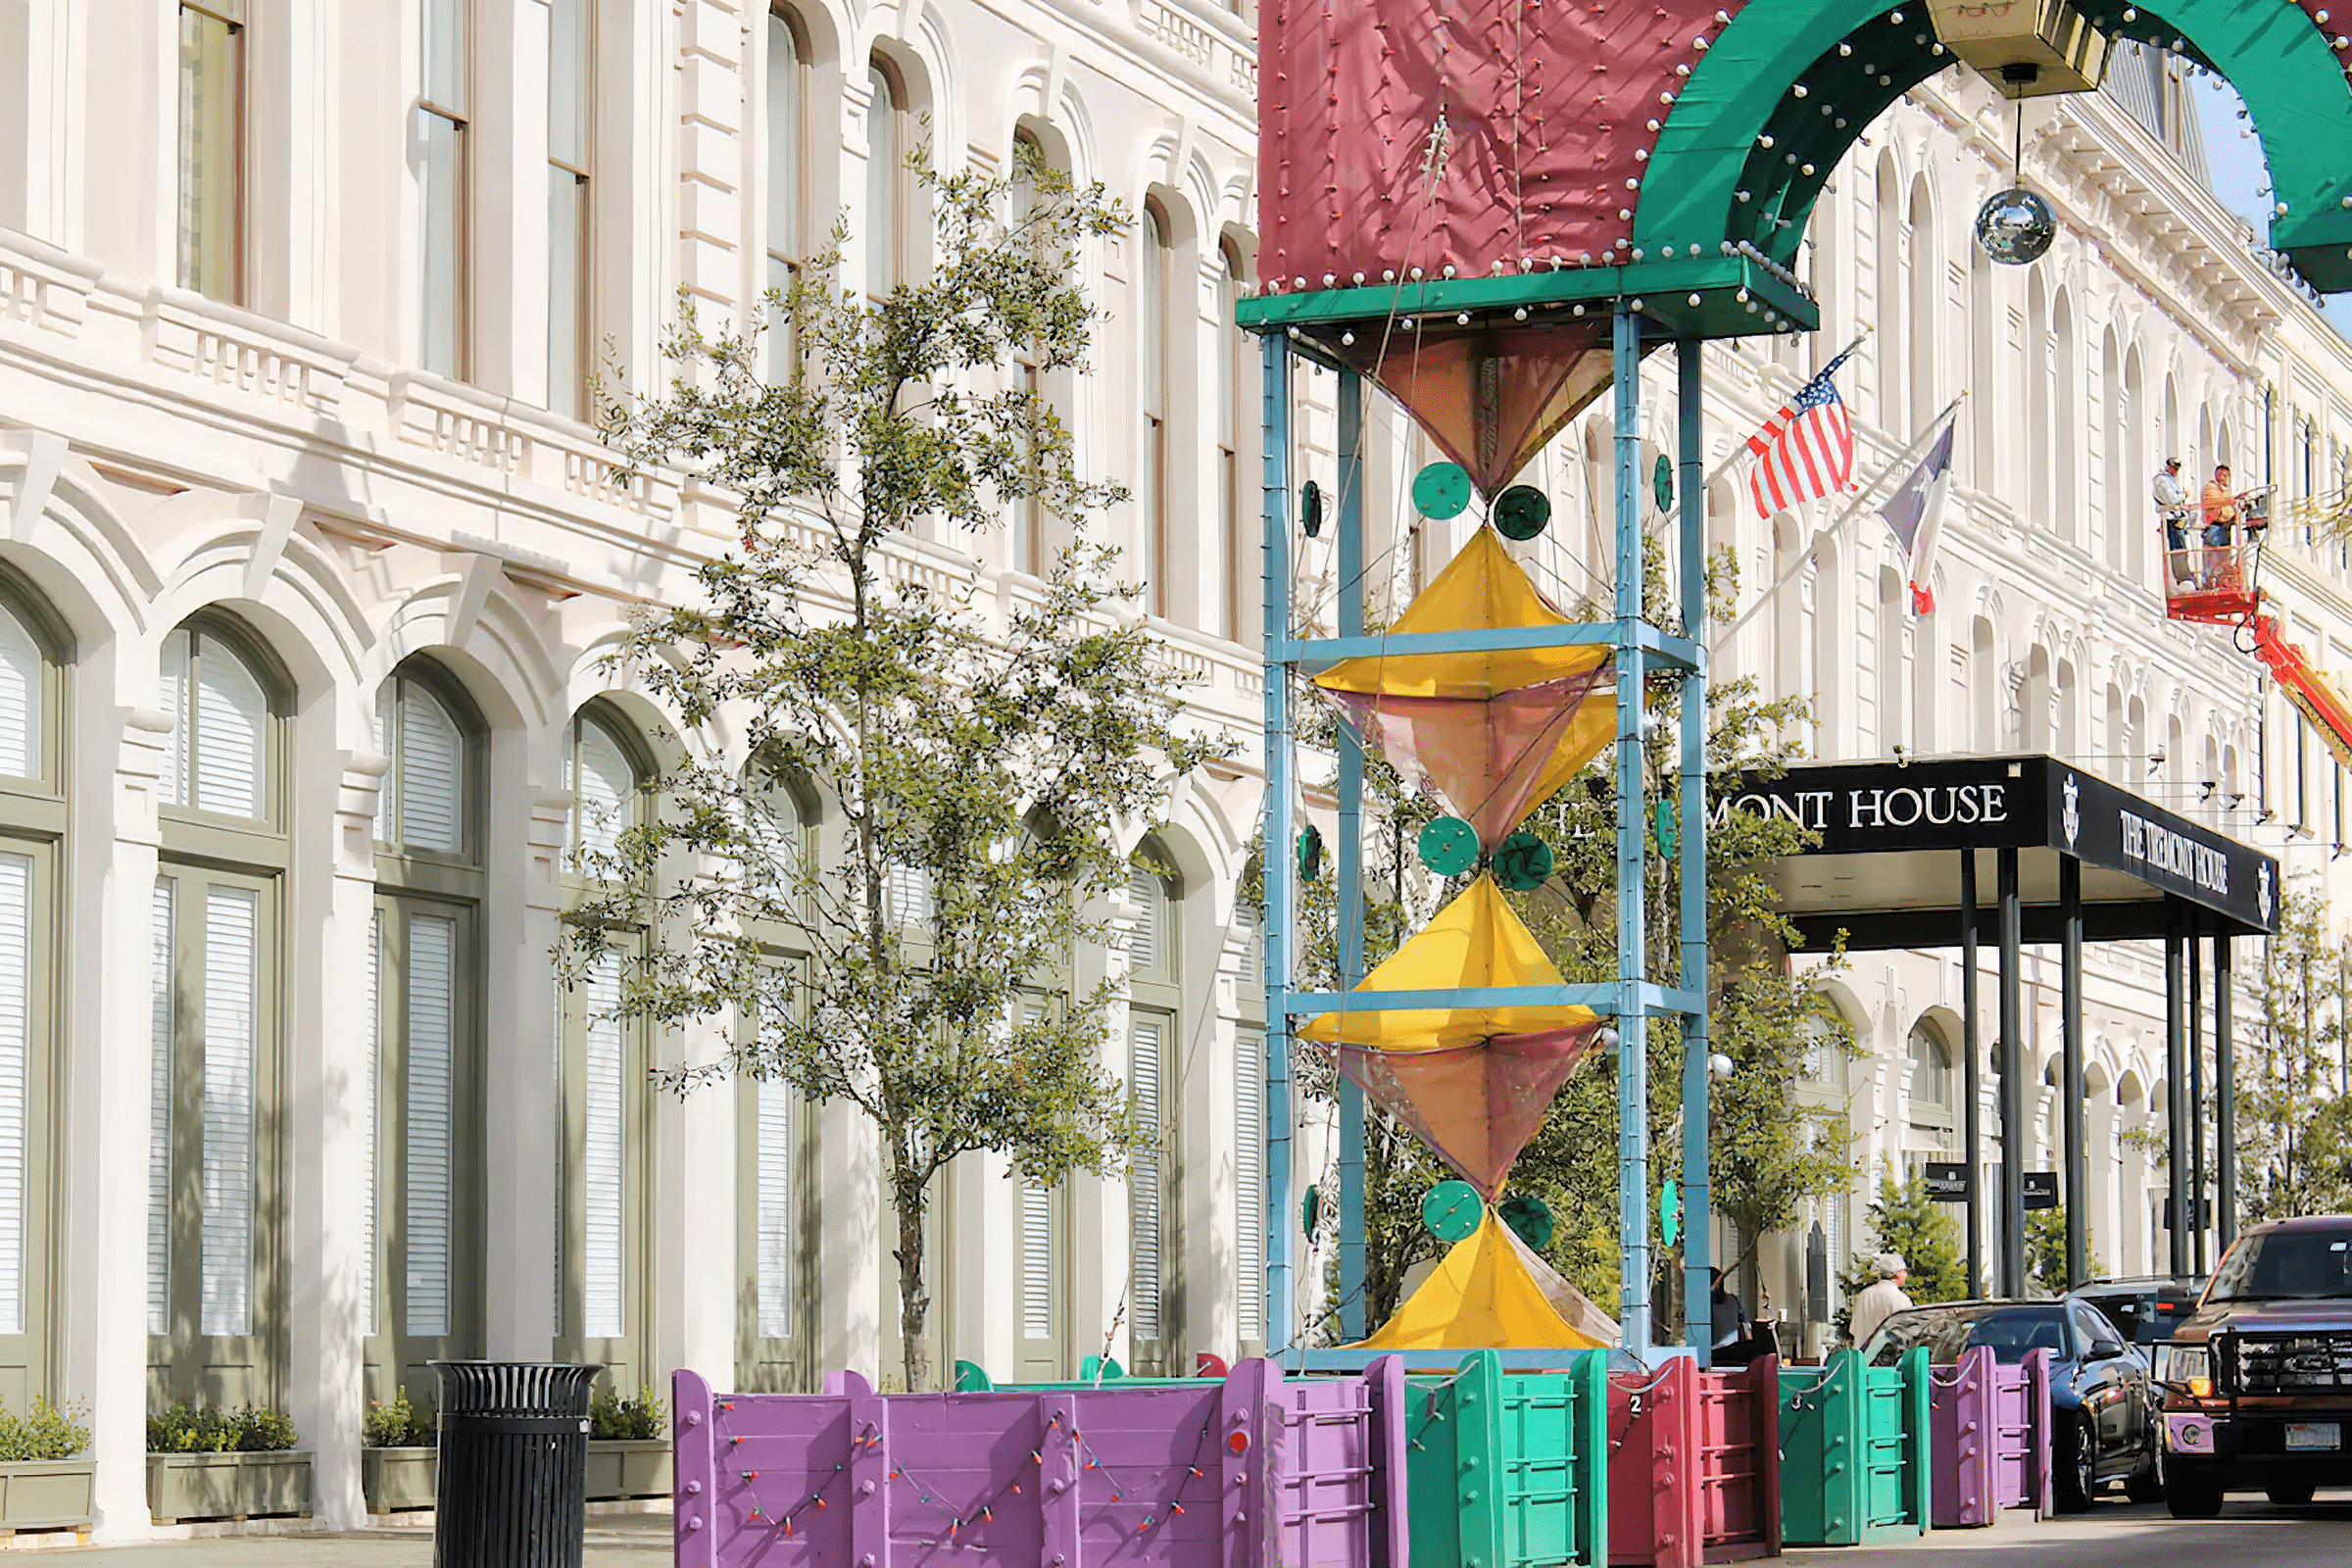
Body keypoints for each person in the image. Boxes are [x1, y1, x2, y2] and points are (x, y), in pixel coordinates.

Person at [1848, 1251, 1913, 1350]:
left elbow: (1853, 1330)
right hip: (1887, 1361)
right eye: (1904, 1270)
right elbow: (1907, 1333)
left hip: (1859, 1359)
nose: (1906, 1274)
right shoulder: (1901, 1299)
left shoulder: (1863, 1295)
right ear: (1896, 1273)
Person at [2201, 464, 2241, 586]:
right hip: (2215, 526)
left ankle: (2222, 578)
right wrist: (2227, 503)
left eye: (2225, 475)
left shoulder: (2226, 492)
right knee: (2215, 554)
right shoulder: (2211, 488)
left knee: (2225, 556)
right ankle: (2212, 579)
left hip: (2226, 527)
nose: (2222, 477)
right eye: (2220, 474)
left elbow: (2230, 508)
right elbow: (2213, 503)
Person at [2153, 459, 2191, 583]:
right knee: (2176, 547)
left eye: (2176, 468)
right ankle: (2181, 577)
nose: (2175, 470)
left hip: (2176, 517)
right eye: (2173, 467)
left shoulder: (2172, 481)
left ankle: (2184, 575)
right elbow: (2172, 499)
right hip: (2169, 518)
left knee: (2181, 546)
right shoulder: (2161, 480)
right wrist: (2183, 495)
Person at [1710, 1267, 1754, 1366]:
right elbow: (1746, 1323)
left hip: (1715, 1353)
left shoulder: (1704, 1305)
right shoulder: (1733, 1299)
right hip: (1734, 1350)